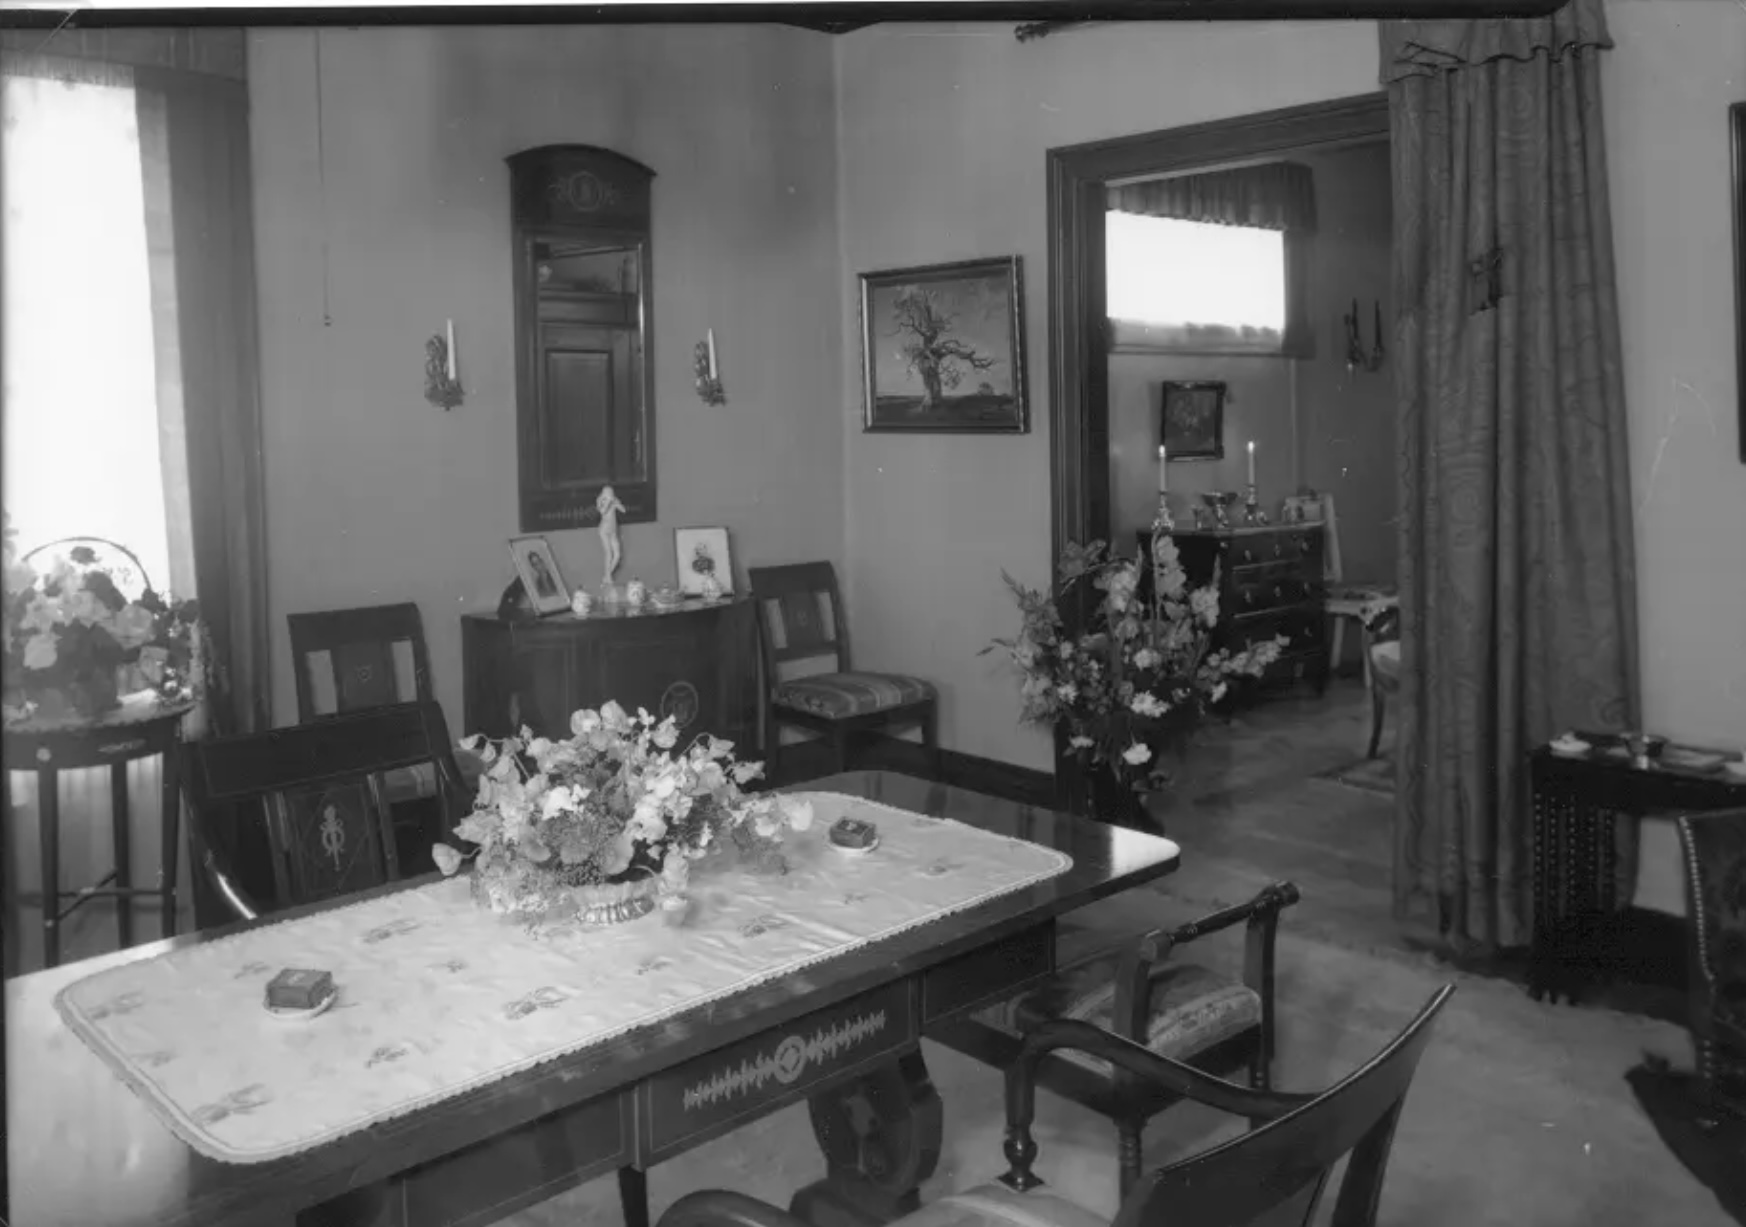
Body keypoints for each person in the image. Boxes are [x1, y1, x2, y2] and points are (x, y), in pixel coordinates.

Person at [597, 485, 627, 585]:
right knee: (608, 553)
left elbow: (623, 510)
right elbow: (602, 511)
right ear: (604, 493)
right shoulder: (600, 500)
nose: (610, 494)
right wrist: (608, 502)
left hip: (613, 531)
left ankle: (606, 576)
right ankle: (608, 578)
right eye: (608, 492)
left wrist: (616, 503)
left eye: (611, 492)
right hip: (604, 530)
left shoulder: (613, 500)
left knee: (617, 555)